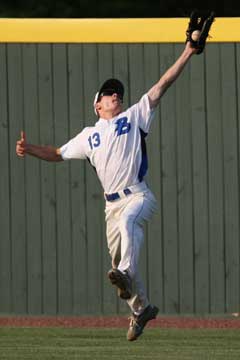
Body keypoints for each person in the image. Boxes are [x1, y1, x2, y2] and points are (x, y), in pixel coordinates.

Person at [16, 41, 198, 341]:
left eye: (118, 93)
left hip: (138, 196)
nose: (116, 95)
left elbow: (164, 83)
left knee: (127, 237)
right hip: (111, 207)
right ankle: (141, 310)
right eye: (109, 93)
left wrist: (189, 50)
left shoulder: (134, 116)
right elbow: (57, 153)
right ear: (98, 105)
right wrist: (29, 148)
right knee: (120, 261)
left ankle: (126, 275)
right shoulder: (88, 137)